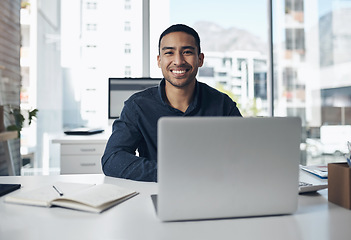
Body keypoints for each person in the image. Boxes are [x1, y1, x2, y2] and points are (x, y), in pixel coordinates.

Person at [102, 24, 242, 182]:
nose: (178, 61)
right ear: (159, 61)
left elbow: (245, 155)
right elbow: (112, 160)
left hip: (213, 190)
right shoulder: (137, 106)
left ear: (200, 59)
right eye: (169, 53)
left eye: (187, 52)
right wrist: (169, 173)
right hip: (158, 192)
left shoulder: (223, 104)